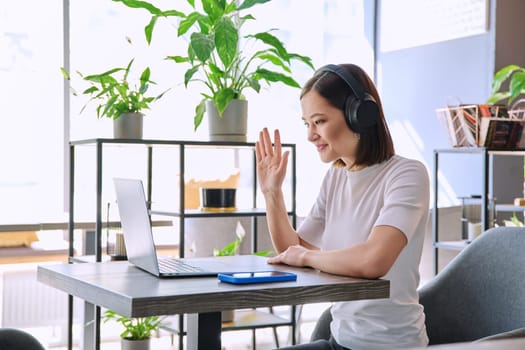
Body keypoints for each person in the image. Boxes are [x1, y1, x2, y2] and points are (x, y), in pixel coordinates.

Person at [255, 63, 430, 350]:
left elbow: (374, 260)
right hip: (341, 342)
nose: (310, 135)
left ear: (360, 115)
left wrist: (307, 257)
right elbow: (292, 249)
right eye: (306, 124)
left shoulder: (407, 174)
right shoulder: (335, 177)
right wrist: (272, 192)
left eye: (319, 121)